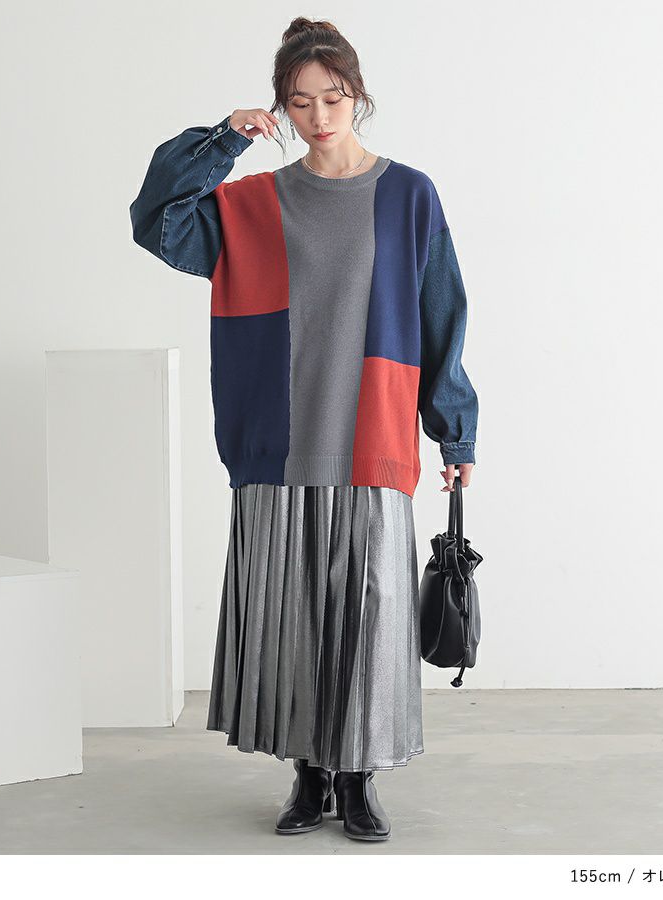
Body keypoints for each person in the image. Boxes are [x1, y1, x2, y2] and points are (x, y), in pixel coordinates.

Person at [129, 16, 478, 842]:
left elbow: (441, 319)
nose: (320, 116)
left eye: (334, 97)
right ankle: (309, 775)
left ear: (358, 95)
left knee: (368, 617)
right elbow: (157, 221)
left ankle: (357, 780)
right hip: (275, 442)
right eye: (300, 102)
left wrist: (454, 434)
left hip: (372, 437)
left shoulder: (409, 195)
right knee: (292, 622)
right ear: (281, 108)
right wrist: (222, 140)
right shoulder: (251, 204)